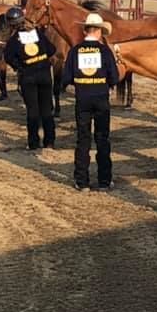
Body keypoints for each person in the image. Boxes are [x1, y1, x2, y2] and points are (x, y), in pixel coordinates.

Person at [61, 12, 119, 191]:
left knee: (83, 140)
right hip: (101, 98)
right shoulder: (105, 51)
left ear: (85, 30)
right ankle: (104, 180)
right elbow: (115, 77)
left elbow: (66, 78)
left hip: (82, 99)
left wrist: (81, 83)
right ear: (100, 32)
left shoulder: (75, 51)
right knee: (103, 139)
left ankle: (82, 180)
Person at [3, 6, 57, 150]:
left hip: (28, 76)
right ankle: (49, 141)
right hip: (44, 74)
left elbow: (7, 57)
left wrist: (18, 66)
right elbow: (52, 49)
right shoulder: (37, 33)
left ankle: (33, 142)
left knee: (32, 110)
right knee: (46, 109)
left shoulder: (14, 40)